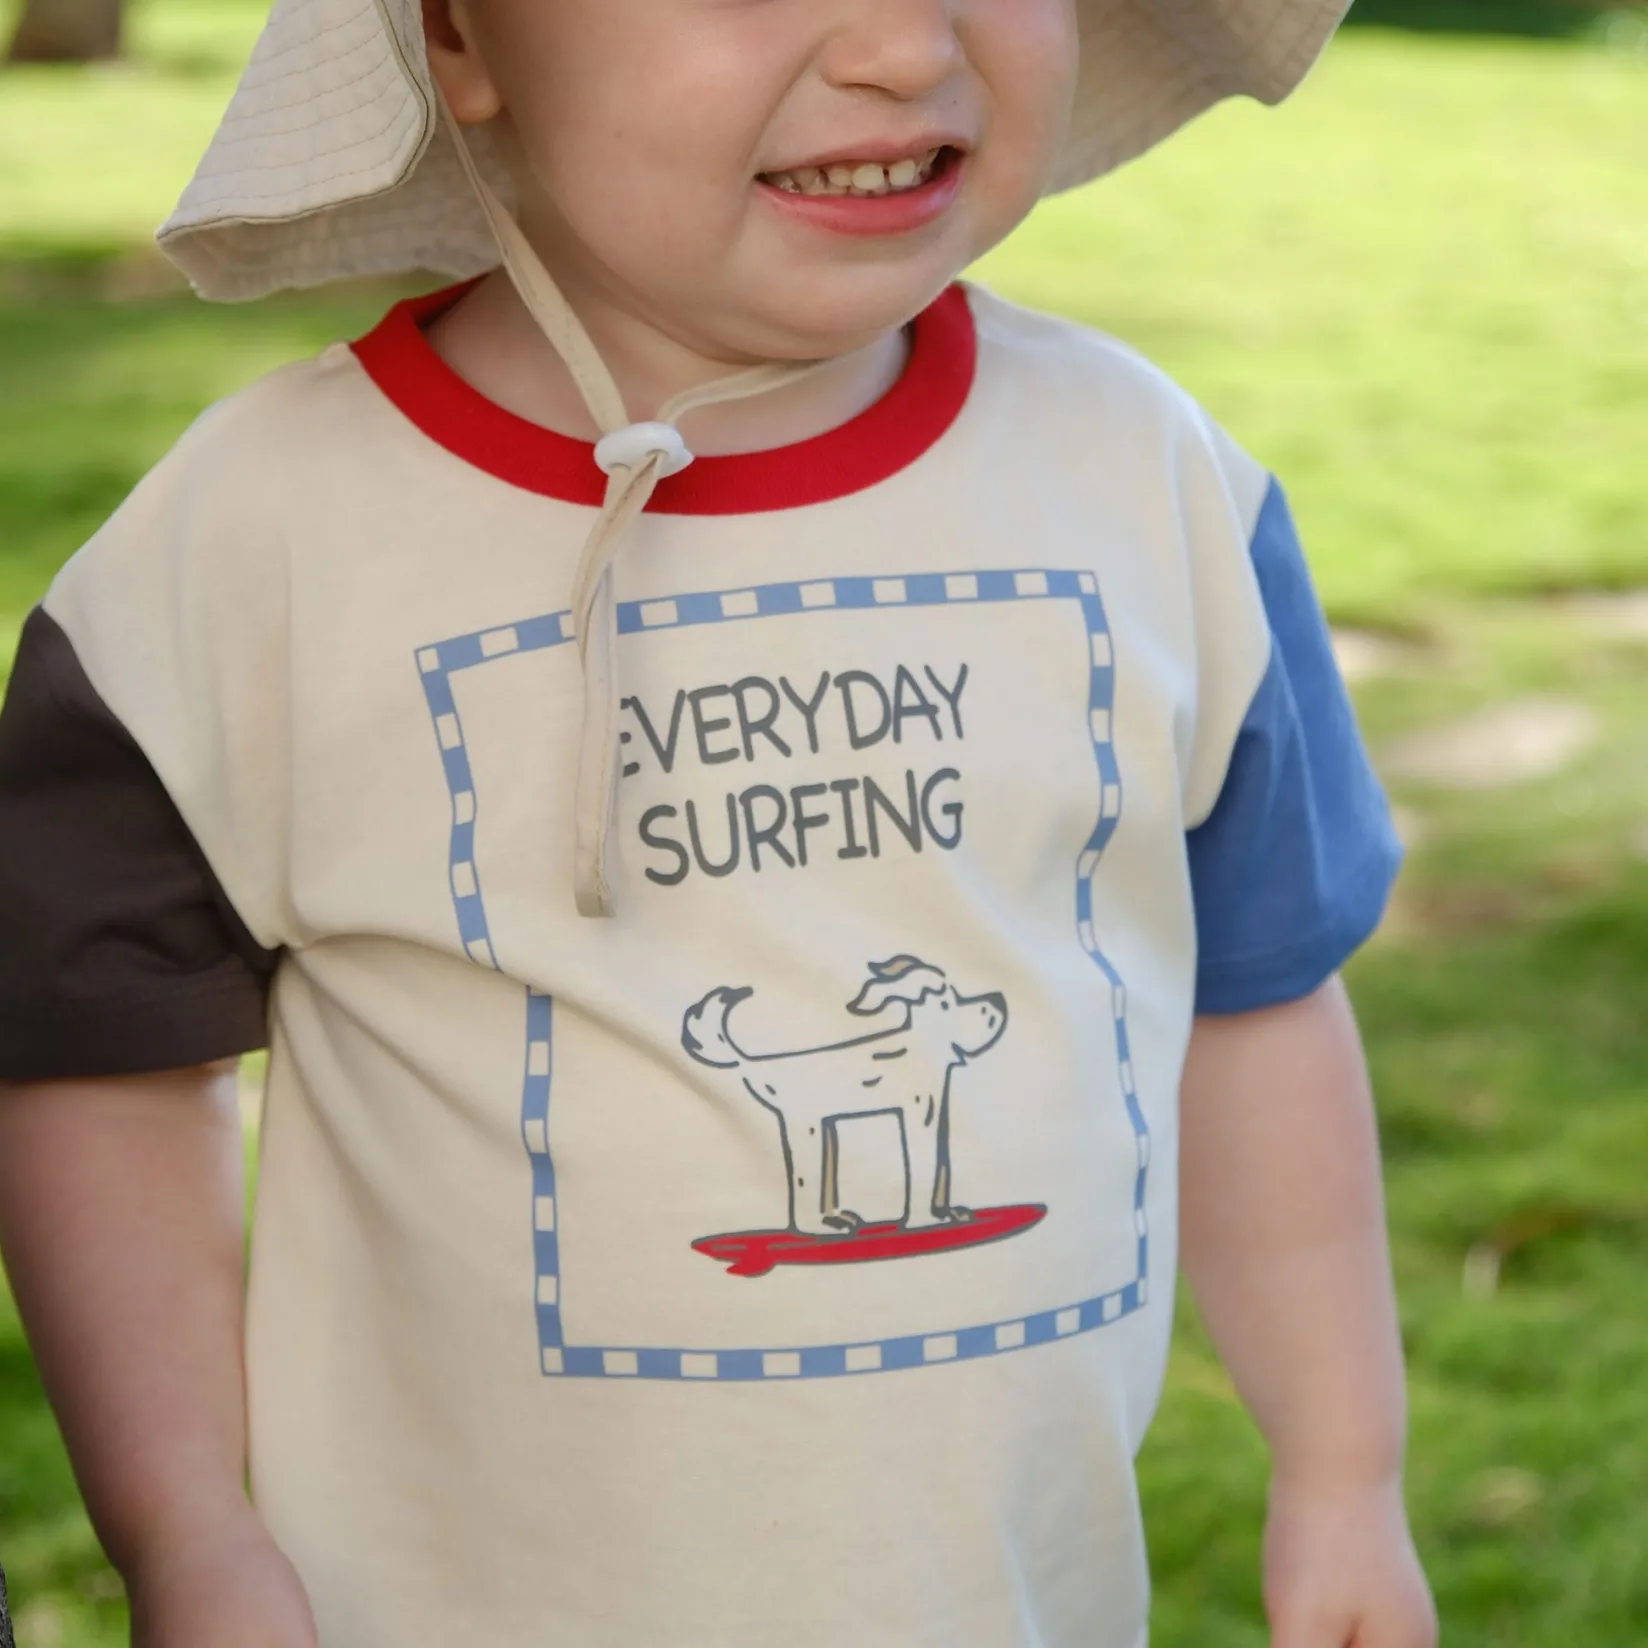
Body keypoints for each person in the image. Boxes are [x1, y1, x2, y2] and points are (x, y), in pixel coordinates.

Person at [0, 0, 1440, 1643]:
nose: (902, 46)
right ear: (459, 35)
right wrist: (184, 1530)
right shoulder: (249, 548)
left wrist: (1344, 1470)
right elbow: (99, 1065)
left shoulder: (1158, 488)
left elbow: (1258, 1001)